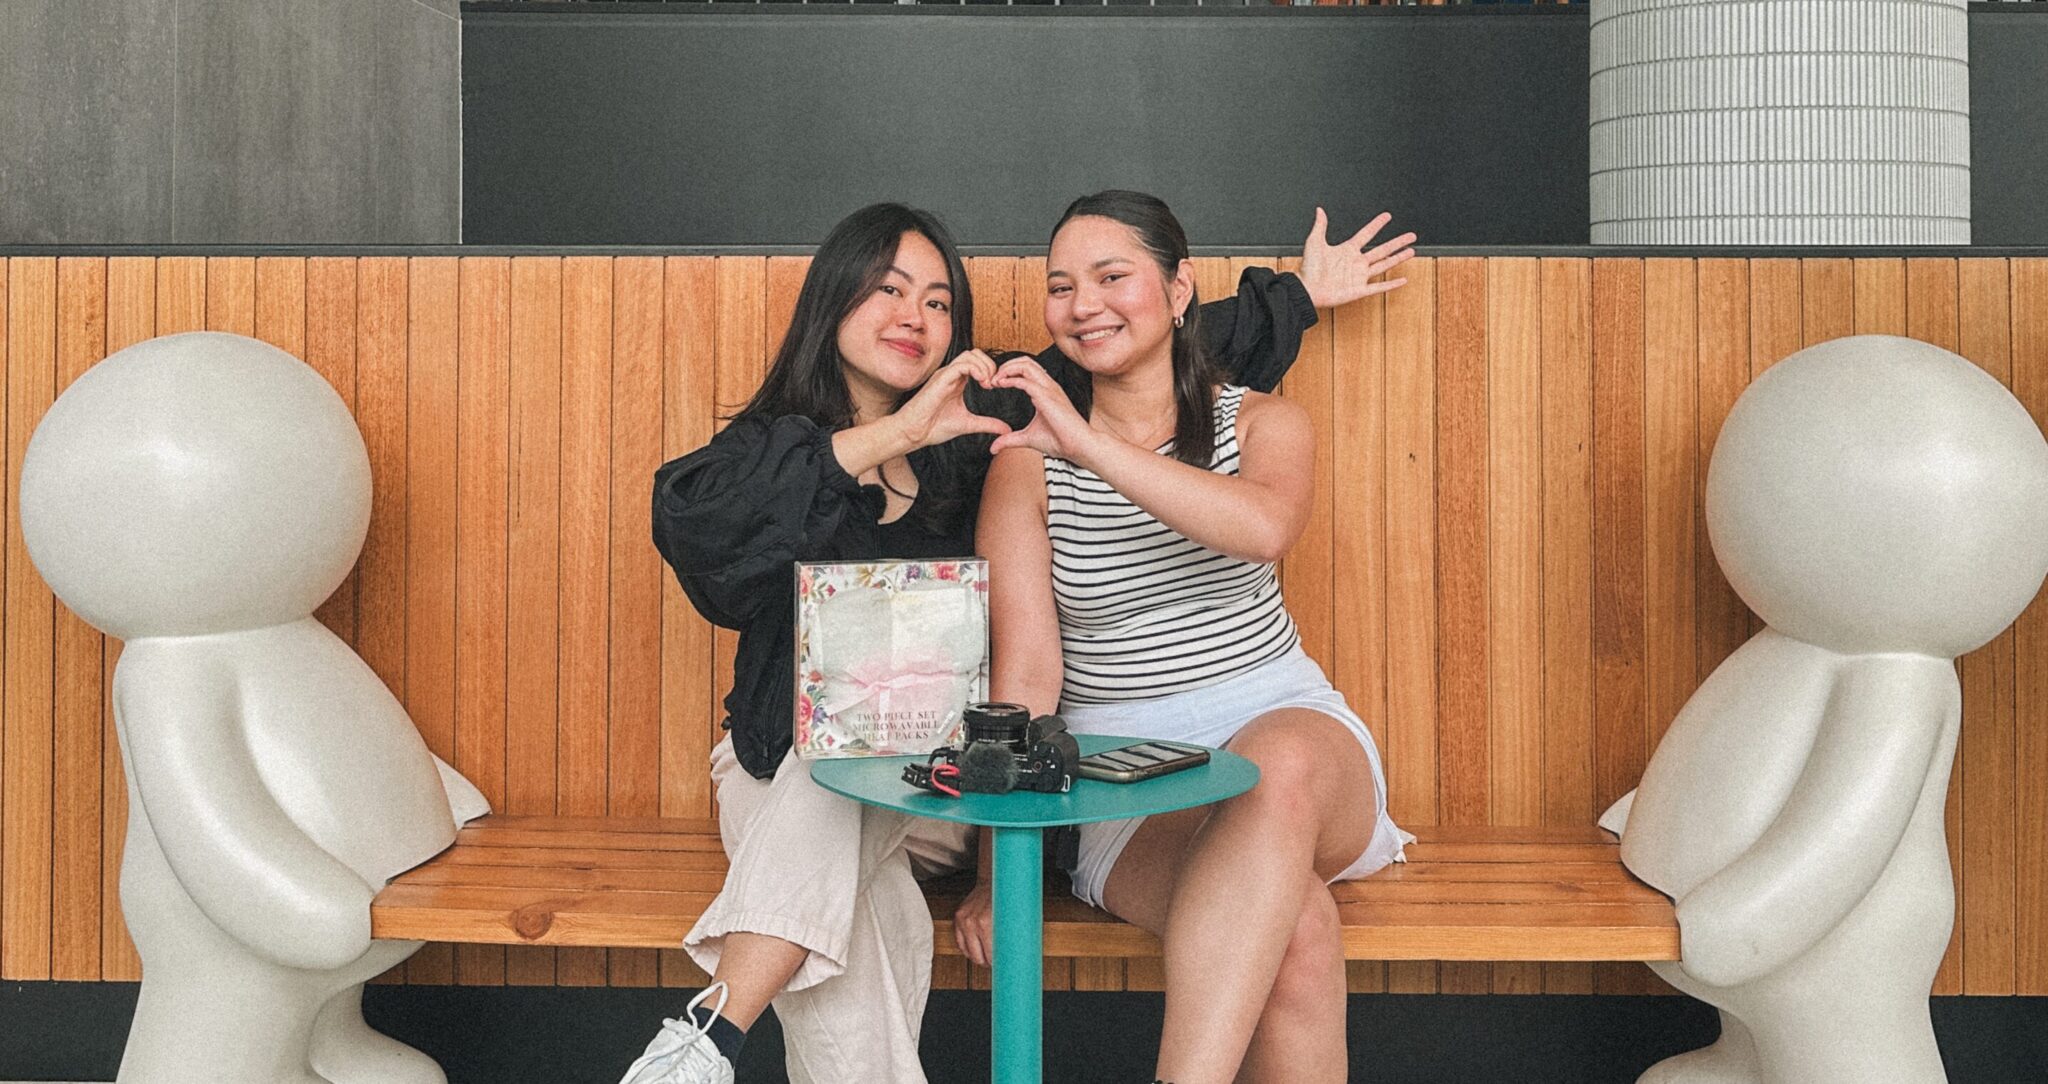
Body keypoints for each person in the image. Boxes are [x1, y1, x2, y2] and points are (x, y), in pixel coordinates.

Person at [638, 199, 1414, 1084]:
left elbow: (1138, 346)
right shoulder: (791, 452)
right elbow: (701, 526)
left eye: (936, 301)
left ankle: (704, 1039)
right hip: (808, 766)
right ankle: (709, 1042)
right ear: (831, 304)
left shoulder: (988, 428)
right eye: (888, 291)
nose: (913, 317)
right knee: (842, 821)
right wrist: (898, 433)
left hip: (942, 775)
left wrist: (1301, 294)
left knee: (1276, 792)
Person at [960, 190, 1413, 1084]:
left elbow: (1263, 529)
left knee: (1272, 766)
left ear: (1177, 293)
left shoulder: (1262, 424)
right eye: (1061, 287)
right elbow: (1025, 675)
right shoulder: (1023, 472)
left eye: (1111, 277)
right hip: (1125, 778)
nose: (1082, 303)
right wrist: (994, 871)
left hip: (1293, 738)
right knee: (1301, 930)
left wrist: (1090, 446)